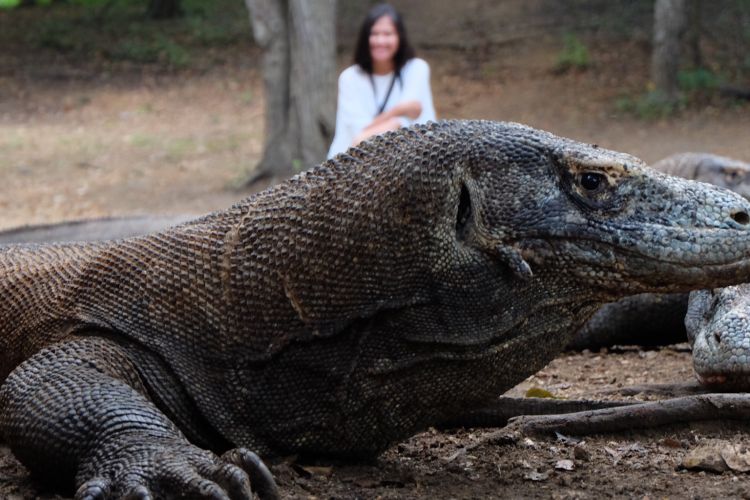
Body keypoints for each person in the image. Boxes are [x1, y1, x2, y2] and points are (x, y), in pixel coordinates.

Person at [327, 3, 436, 159]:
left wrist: (388, 123)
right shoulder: (350, 77)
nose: (380, 41)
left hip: (405, 165)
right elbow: (359, 138)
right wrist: (397, 113)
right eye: (375, 34)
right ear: (366, 38)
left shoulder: (416, 69)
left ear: (400, 37)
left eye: (387, 34)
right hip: (348, 167)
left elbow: (417, 127)